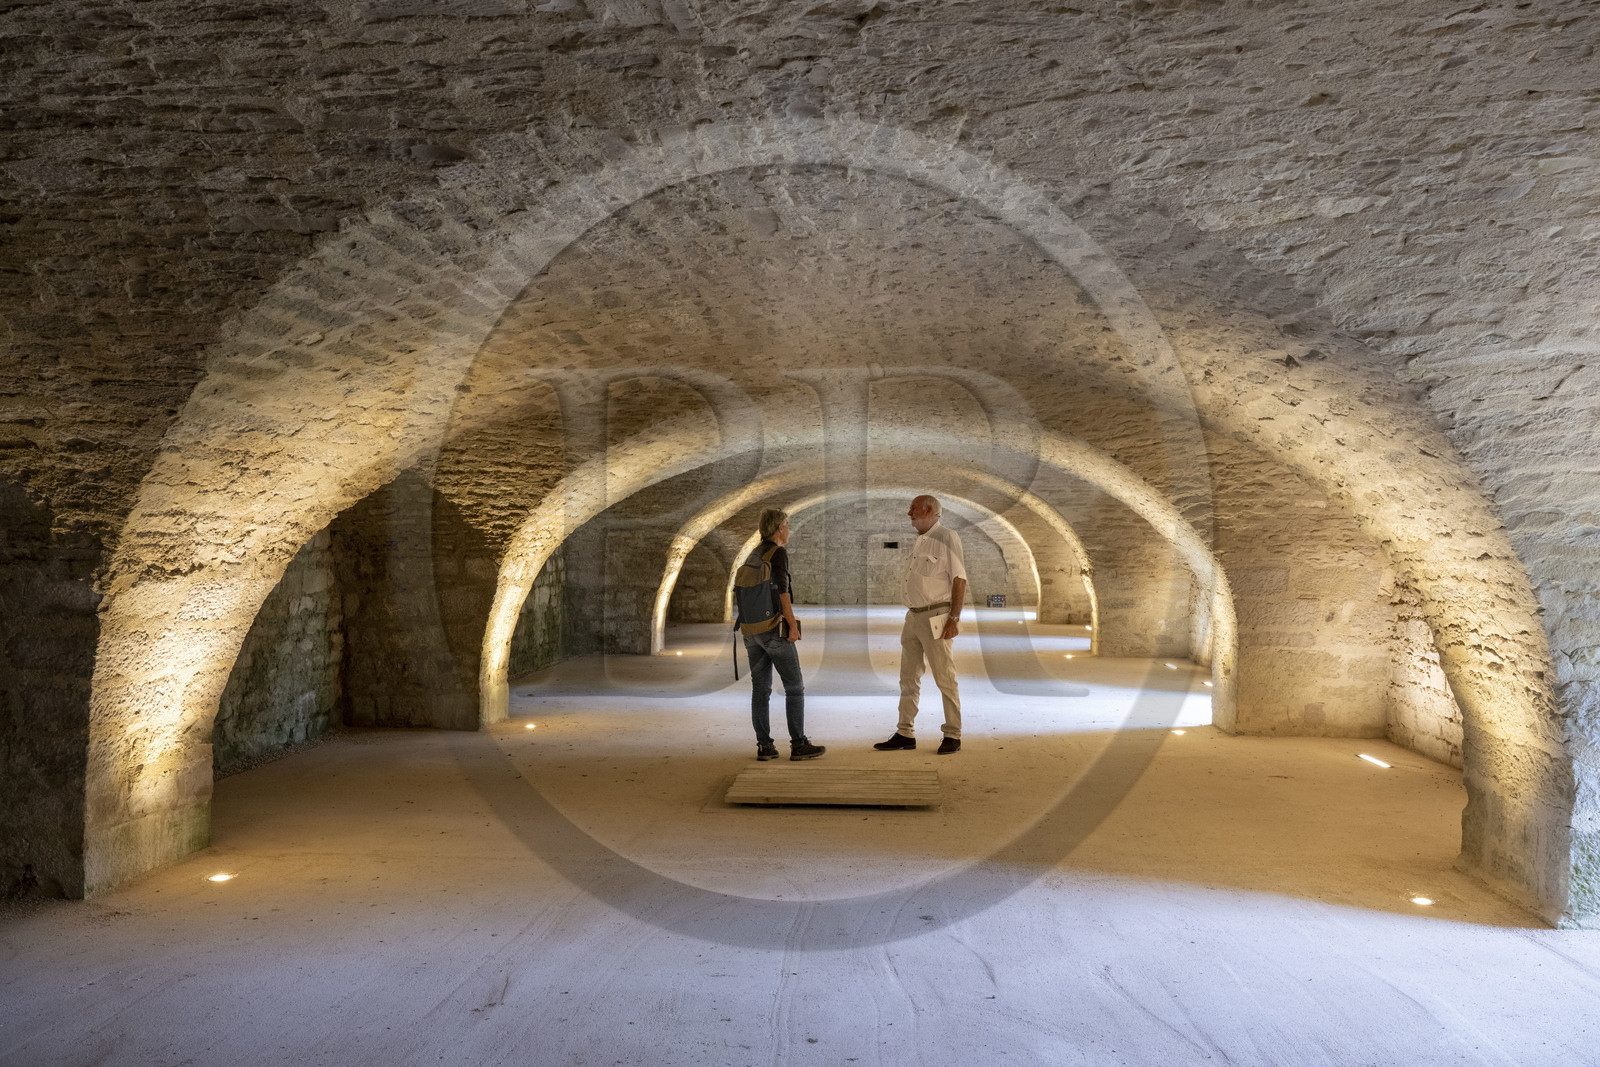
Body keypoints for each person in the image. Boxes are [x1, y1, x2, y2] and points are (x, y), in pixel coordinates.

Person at [875, 494, 967, 755]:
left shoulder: (947, 537)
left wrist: (954, 618)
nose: (909, 513)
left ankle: (953, 734)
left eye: (913, 509)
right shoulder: (920, 541)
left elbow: (959, 579)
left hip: (937, 615)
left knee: (944, 676)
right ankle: (905, 732)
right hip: (913, 617)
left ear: (929, 511)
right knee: (908, 677)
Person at [738, 507, 825, 762]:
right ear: (779, 529)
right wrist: (793, 626)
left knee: (760, 690)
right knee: (794, 688)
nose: (788, 530)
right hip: (773, 631)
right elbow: (783, 594)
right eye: (787, 525)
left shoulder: (754, 553)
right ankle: (798, 745)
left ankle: (765, 746)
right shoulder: (778, 553)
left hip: (751, 631)